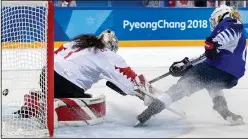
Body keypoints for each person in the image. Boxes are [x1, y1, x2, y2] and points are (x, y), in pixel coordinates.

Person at [136, 4, 247, 126]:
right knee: (212, 83)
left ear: (223, 16)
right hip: (230, 77)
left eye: (215, 20)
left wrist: (215, 42)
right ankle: (224, 111)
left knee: (180, 88)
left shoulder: (232, 22)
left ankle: (149, 111)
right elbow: (208, 56)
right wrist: (186, 63)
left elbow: (230, 32)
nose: (214, 23)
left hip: (218, 68)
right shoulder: (235, 41)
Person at [14, 30, 153, 125]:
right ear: (111, 45)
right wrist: (142, 91)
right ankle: (50, 110)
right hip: (65, 84)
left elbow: (55, 54)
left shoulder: (77, 43)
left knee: (66, 90)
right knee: (86, 98)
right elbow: (127, 77)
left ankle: (37, 101)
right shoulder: (107, 54)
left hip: (45, 76)